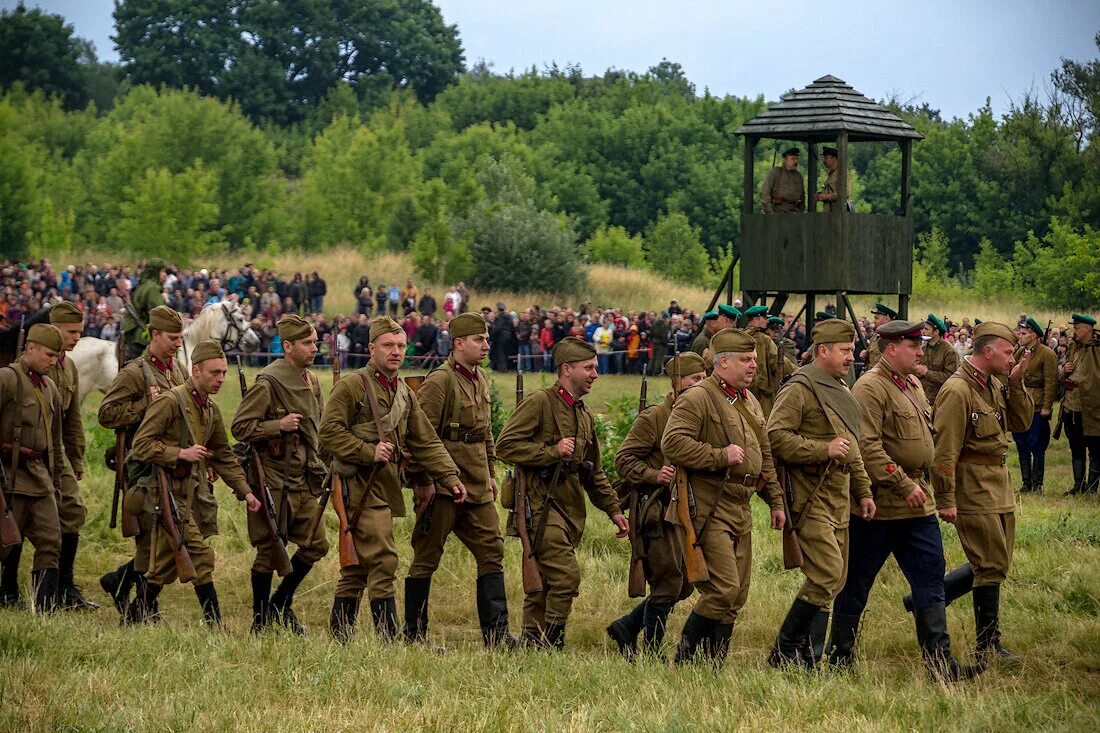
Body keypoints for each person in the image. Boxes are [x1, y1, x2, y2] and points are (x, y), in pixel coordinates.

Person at [830, 321, 982, 681]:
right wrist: (900, 483)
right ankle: (839, 658)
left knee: (930, 579)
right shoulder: (870, 387)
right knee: (856, 584)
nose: (920, 352)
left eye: (921, 345)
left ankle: (941, 665)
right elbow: (866, 445)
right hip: (880, 505)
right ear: (890, 348)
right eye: (913, 345)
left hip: (918, 503)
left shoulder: (912, 384)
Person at [320, 317, 466, 643]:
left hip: (382, 484)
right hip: (356, 483)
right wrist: (366, 450)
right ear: (372, 348)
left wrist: (449, 476)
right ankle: (389, 641)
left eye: (401, 346)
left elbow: (425, 440)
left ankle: (339, 637)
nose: (396, 352)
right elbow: (328, 432)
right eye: (388, 345)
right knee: (384, 560)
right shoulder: (352, 386)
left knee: (359, 567)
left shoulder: (403, 391)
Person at [496, 337, 629, 649]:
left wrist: (614, 510)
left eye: (596, 367)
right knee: (566, 578)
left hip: (568, 504)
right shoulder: (540, 402)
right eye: (589, 368)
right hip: (539, 503)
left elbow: (593, 471)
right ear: (566, 369)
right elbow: (505, 446)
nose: (596, 373)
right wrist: (551, 451)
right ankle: (551, 642)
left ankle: (531, 641)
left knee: (543, 580)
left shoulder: (583, 414)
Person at [661, 333, 786, 664]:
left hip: (741, 502)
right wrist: (719, 456)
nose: (753, 365)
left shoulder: (750, 399)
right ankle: (685, 659)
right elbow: (672, 443)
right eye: (746, 360)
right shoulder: (698, 397)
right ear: (723, 362)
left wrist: (774, 500)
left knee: (737, 594)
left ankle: (712, 663)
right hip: (708, 502)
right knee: (723, 589)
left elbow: (765, 452)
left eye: (754, 359)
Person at [129, 341, 262, 625]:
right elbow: (140, 445)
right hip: (162, 492)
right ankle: (215, 626)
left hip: (190, 495)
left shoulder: (210, 409)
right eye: (214, 373)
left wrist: (246, 491)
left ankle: (134, 614)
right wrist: (180, 453)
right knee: (199, 556)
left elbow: (224, 456)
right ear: (195, 371)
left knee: (165, 562)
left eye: (224, 373)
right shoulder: (170, 401)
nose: (221, 379)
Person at [766, 318, 875, 669]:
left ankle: (808, 656)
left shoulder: (841, 388)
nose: (851, 356)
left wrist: (864, 490)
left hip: (838, 495)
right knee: (827, 573)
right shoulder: (800, 387)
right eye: (844, 351)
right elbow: (775, 436)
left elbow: (852, 446)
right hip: (808, 495)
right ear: (822, 351)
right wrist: (821, 449)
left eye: (852, 350)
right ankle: (783, 650)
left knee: (835, 579)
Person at [403, 314, 515, 648]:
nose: (486, 345)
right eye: (479, 340)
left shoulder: (480, 378)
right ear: (458, 344)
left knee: (492, 552)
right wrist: (423, 482)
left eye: (486, 339)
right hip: (441, 487)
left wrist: (491, 472)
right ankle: (414, 635)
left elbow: (485, 432)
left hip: (477, 484)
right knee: (427, 557)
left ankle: (497, 636)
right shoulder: (440, 381)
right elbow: (418, 436)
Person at [931, 322, 1033, 663]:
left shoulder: (993, 384)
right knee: (988, 563)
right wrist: (945, 498)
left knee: (997, 562)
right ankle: (987, 642)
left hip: (998, 483)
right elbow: (944, 451)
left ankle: (926, 598)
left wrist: (1016, 382)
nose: (1011, 359)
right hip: (973, 486)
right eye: (1007, 353)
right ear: (987, 351)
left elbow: (1020, 423)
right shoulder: (957, 390)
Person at [231, 315, 330, 634]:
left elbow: (319, 427)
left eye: (315, 342)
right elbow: (241, 427)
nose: (314, 348)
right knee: (270, 549)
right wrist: (278, 425)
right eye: (307, 343)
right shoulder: (269, 381)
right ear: (287, 346)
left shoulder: (312, 381)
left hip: (305, 477)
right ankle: (260, 621)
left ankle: (280, 603)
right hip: (273, 479)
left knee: (316, 544)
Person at [606, 352, 708, 658]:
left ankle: (626, 626)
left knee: (684, 585)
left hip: (683, 513)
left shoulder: (698, 414)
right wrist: (653, 474)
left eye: (704, 380)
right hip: (655, 511)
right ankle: (651, 651)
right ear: (677, 383)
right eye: (695, 380)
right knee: (668, 582)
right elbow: (623, 460)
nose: (701, 386)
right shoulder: (654, 418)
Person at [96, 306, 188, 618]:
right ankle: (142, 603)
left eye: (180, 337)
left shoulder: (176, 371)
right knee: (151, 536)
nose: (178, 343)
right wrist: (144, 404)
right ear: (155, 335)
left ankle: (120, 583)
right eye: (173, 338)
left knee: (163, 535)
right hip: (142, 466)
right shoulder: (135, 372)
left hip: (172, 464)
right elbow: (107, 414)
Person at [0, 324, 65, 612]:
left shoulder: (50, 387)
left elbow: (57, 439)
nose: (53, 361)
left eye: (56, 356)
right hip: (10, 476)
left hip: (40, 476)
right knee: (6, 544)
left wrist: (58, 479)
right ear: (30, 348)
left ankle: (45, 606)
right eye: (49, 355)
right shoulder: (7, 378)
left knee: (51, 539)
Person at [42, 301, 97, 609]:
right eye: (71, 332)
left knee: (72, 512)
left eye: (80, 332)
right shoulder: (35, 362)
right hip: (26, 454)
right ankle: (8, 587)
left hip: (57, 454)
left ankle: (65, 588)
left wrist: (76, 459)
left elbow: (72, 419)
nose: (77, 338)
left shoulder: (69, 367)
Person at [1011, 317, 1059, 495]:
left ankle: (1038, 484)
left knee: (1037, 446)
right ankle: (1026, 483)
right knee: (1021, 444)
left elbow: (1051, 383)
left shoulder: (1047, 354)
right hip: (1020, 405)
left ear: (1033, 335)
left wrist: (1047, 407)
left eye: (1023, 334)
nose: (1020, 336)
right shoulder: (1019, 352)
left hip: (1037, 406)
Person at [1061, 313, 1099, 494]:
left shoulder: (1098, 349)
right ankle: (1078, 485)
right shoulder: (1073, 348)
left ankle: (1092, 488)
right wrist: (1064, 370)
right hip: (1071, 406)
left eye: (1077, 328)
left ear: (1087, 330)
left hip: (1092, 408)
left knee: (1095, 449)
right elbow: (1064, 372)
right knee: (1076, 446)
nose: (1073, 331)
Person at [120, 258, 168, 362]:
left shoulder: (142, 285)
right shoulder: (152, 289)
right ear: (155, 272)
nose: (165, 275)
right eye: (162, 271)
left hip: (132, 331)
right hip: (143, 335)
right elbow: (162, 315)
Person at [744, 305, 780, 416]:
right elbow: (778, 362)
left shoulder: (741, 337)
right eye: (764, 318)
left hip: (744, 388)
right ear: (757, 319)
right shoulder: (765, 340)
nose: (767, 320)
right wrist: (798, 372)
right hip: (764, 393)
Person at [917, 314, 959, 408]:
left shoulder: (949, 352)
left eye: (926, 329)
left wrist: (926, 372)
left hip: (939, 402)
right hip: (921, 399)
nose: (923, 332)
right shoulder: (922, 349)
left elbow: (951, 379)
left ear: (936, 332)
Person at [760, 147, 805, 213]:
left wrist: (801, 211)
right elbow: (765, 193)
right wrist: (770, 212)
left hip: (795, 212)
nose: (795, 161)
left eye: (797, 159)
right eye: (793, 159)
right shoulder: (776, 172)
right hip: (778, 211)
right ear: (785, 160)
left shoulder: (798, 176)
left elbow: (802, 197)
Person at [862, 304, 898, 368]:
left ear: (887, 318)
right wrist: (865, 355)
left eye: (877, 318)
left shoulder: (894, 338)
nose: (874, 321)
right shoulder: (875, 336)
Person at [816, 146, 850, 212]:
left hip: (838, 214)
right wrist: (820, 195)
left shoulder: (842, 172)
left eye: (826, 158)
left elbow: (846, 193)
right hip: (829, 213)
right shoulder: (831, 173)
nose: (824, 161)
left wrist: (826, 197)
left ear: (833, 158)